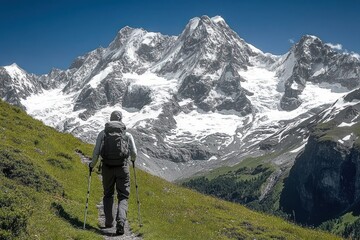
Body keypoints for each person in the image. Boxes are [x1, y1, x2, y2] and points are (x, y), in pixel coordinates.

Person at [89, 110, 137, 235]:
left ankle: (109, 222)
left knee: (108, 194)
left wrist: (91, 165)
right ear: (121, 120)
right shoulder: (126, 134)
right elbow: (134, 153)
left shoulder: (103, 133)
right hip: (122, 167)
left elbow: (96, 152)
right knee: (123, 196)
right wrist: (132, 160)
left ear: (110, 120)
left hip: (107, 168)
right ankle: (121, 222)